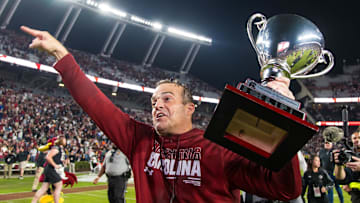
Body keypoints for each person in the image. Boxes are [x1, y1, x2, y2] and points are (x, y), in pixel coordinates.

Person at [21, 25, 302, 203]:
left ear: (190, 108)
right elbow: (95, 103)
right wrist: (59, 52)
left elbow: (285, 190)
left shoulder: (218, 147)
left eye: (167, 99)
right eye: (154, 101)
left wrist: (283, 120)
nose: (156, 105)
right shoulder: (138, 139)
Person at [31, 136, 67, 203]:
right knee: (59, 186)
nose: (66, 141)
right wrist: (55, 165)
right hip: (51, 169)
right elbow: (48, 157)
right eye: (64, 139)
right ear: (61, 141)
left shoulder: (59, 148)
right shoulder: (56, 148)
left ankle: (33, 202)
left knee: (43, 188)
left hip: (49, 169)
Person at [334, 130, 360, 202]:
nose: (357, 140)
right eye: (355, 138)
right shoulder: (349, 156)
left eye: (359, 137)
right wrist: (338, 165)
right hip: (356, 195)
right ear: (351, 140)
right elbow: (342, 178)